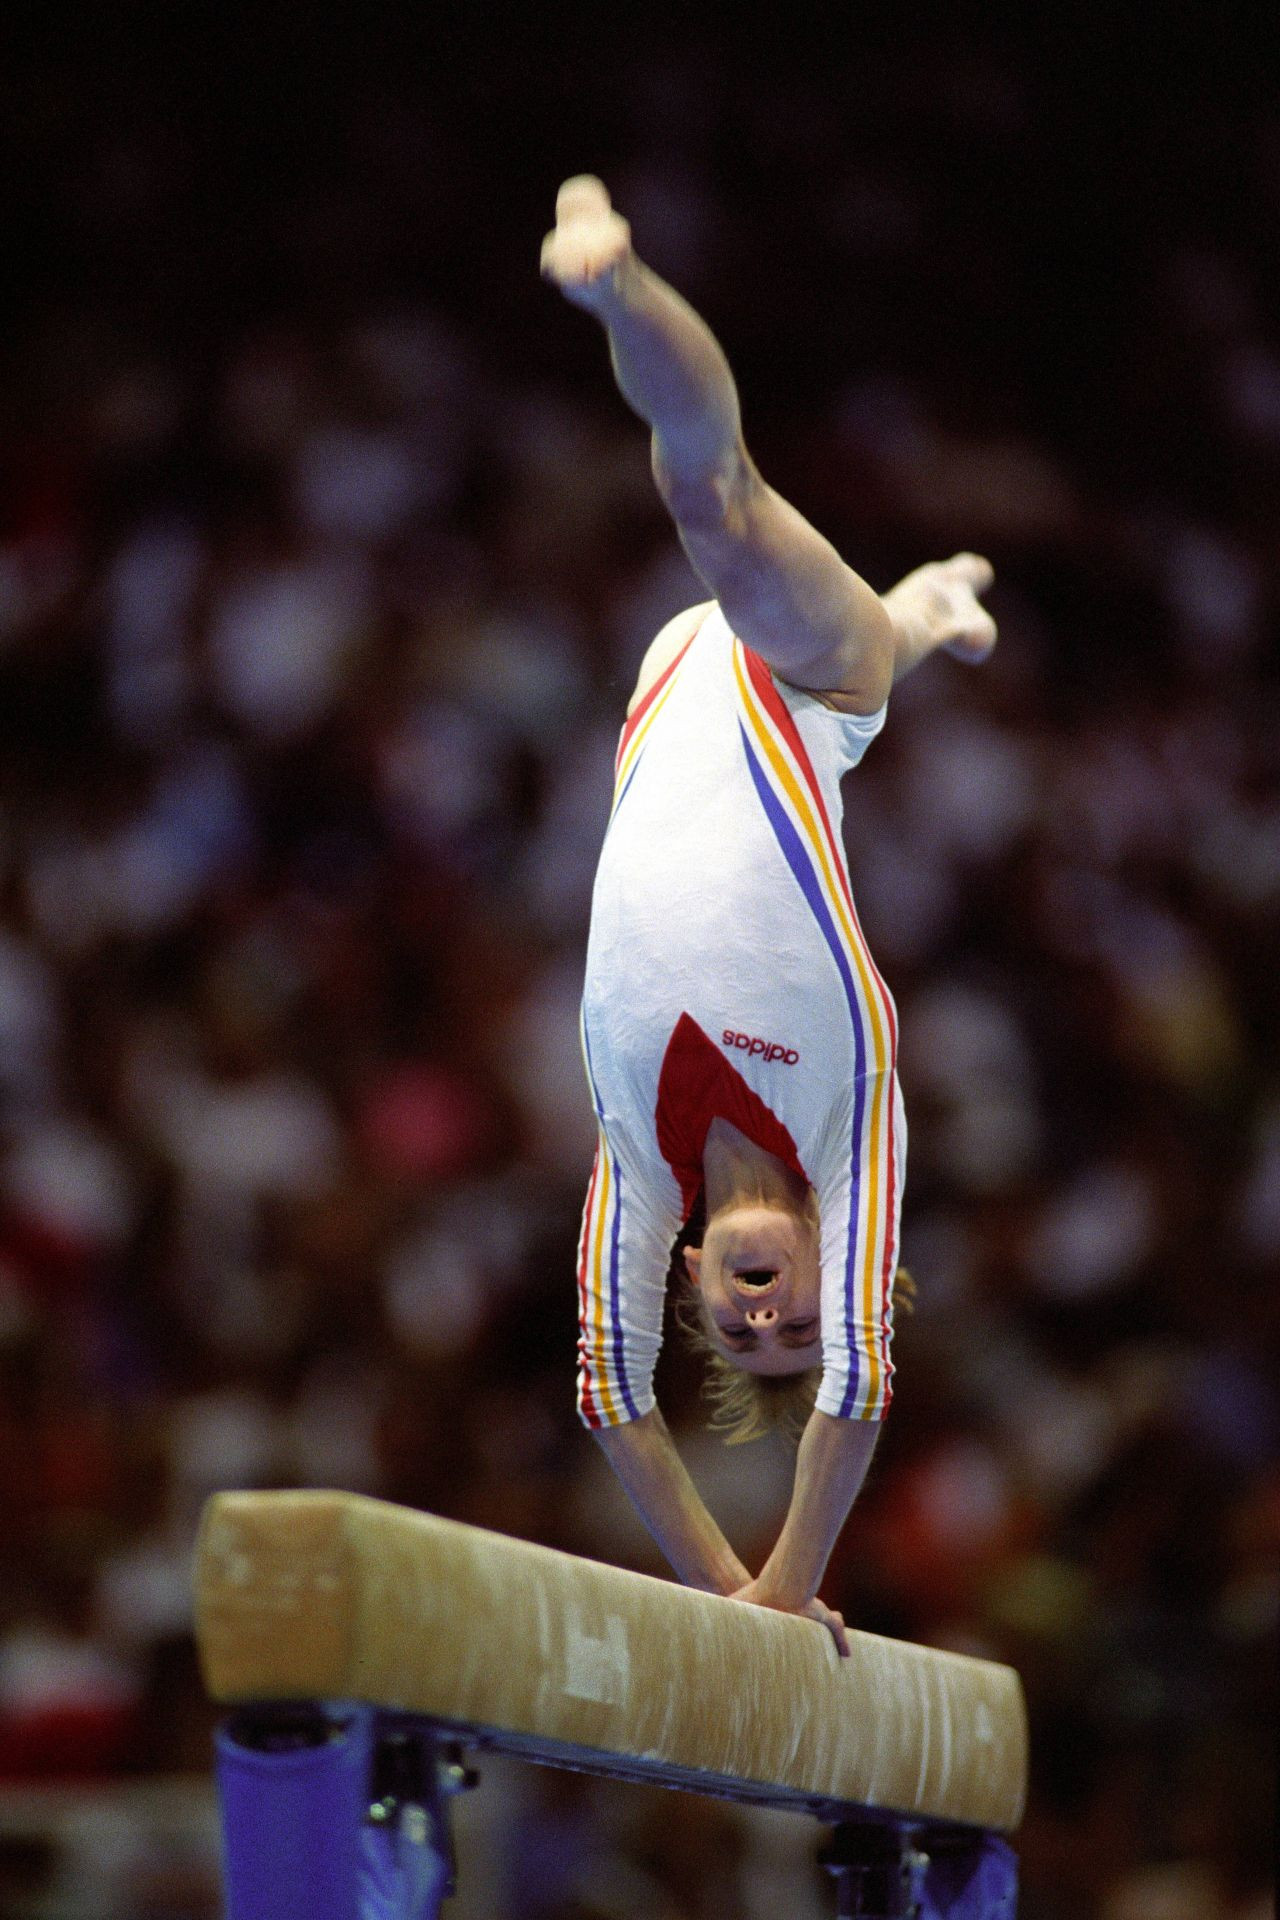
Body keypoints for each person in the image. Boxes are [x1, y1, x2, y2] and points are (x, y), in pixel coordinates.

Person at [542, 176, 997, 1654]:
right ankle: (614, 281)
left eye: (743, 1336)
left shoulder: (636, 1154)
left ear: (686, 1275)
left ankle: (925, 607)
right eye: (797, 1318)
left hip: (676, 678)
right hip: (803, 685)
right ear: (833, 1265)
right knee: (717, 504)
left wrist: (717, 1591)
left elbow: (608, 1394)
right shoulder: (851, 1108)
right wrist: (788, 1588)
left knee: (750, 544)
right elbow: (863, 1387)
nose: (763, 1322)